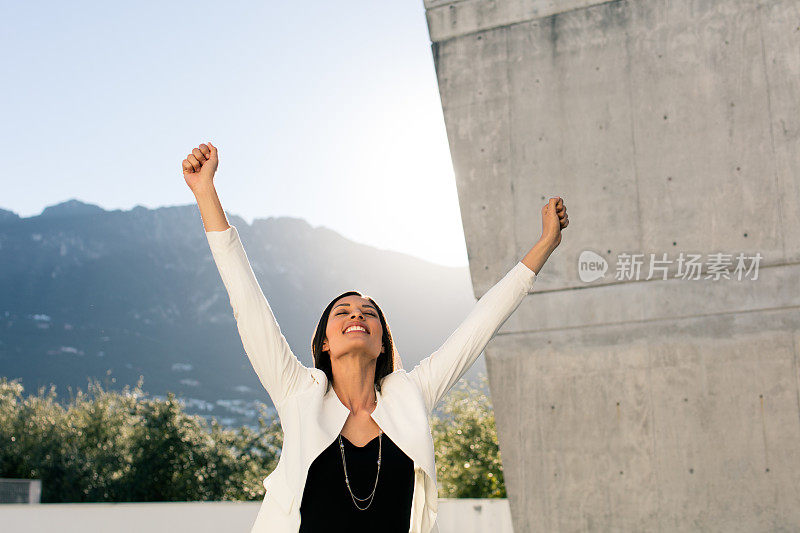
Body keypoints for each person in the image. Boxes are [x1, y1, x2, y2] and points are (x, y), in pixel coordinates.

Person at [182, 142, 568, 533]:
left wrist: (545, 245)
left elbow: (479, 327)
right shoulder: (298, 394)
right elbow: (247, 304)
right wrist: (205, 192)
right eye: (343, 312)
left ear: (382, 341)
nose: (357, 315)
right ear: (325, 342)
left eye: (369, 313)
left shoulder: (409, 397)